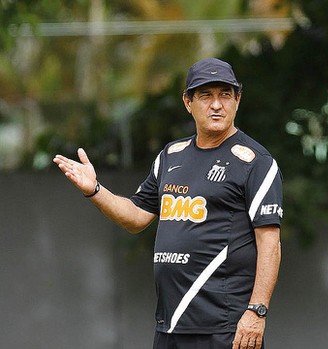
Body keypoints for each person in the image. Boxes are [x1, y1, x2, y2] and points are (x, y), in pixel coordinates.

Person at [53, 58, 283, 349]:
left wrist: (257, 311)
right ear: (188, 102)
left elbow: (270, 243)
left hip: (226, 327)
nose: (216, 104)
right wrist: (95, 190)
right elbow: (136, 217)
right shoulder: (171, 156)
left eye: (225, 94)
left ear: (238, 99)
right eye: (205, 95)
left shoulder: (255, 162)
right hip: (170, 324)